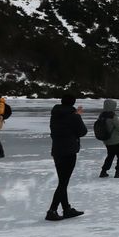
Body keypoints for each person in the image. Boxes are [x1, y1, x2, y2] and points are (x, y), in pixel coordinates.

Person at [47, 93, 87, 221]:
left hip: (57, 150)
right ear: (73, 102)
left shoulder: (55, 114)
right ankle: (52, 210)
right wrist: (78, 116)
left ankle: (66, 209)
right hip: (69, 151)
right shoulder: (73, 116)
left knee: (62, 181)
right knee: (63, 182)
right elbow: (83, 131)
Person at [98, 99, 119, 178]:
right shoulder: (112, 116)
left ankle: (103, 171)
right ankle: (118, 172)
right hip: (117, 141)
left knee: (110, 156)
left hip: (107, 140)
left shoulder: (101, 115)